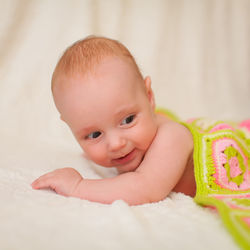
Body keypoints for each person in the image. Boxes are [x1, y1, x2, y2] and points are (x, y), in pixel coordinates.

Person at [32, 36, 250, 248]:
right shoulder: (133, 132)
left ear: (149, 96)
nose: (116, 144)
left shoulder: (172, 137)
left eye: (127, 120)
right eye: (95, 135)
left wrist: (78, 186)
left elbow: (145, 188)